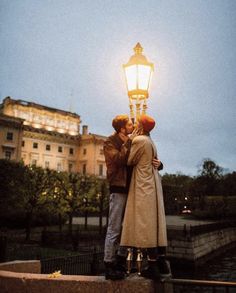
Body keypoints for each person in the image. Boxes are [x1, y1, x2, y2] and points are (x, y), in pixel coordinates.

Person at [103, 114, 161, 280]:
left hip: (132, 189)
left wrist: (159, 163)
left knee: (127, 227)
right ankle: (109, 265)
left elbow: (144, 157)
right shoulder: (110, 142)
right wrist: (130, 142)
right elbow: (121, 160)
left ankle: (120, 262)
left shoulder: (134, 140)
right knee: (114, 228)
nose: (133, 125)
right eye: (129, 124)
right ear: (122, 128)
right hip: (118, 188)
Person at [120, 114, 171, 280]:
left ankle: (153, 267)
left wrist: (130, 140)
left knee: (144, 224)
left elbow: (129, 160)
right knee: (153, 223)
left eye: (136, 123)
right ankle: (160, 262)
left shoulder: (139, 140)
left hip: (142, 186)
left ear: (140, 126)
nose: (134, 125)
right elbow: (153, 161)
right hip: (152, 184)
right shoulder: (150, 141)